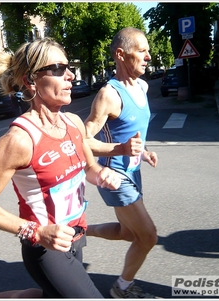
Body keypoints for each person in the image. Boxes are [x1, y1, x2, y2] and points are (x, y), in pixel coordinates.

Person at [0, 38, 121, 298]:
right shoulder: (18, 141)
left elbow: (89, 168)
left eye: (68, 67)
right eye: (59, 68)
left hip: (76, 234)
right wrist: (36, 231)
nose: (71, 75)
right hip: (45, 248)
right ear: (30, 80)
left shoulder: (73, 123)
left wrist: (101, 174)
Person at [83, 27, 159, 298]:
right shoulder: (109, 95)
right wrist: (121, 149)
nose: (149, 56)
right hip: (114, 175)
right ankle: (121, 289)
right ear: (121, 54)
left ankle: (79, 231)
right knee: (148, 236)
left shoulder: (142, 86)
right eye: (142, 51)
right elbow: (82, 139)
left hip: (133, 171)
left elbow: (133, 130)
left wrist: (144, 150)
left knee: (128, 233)